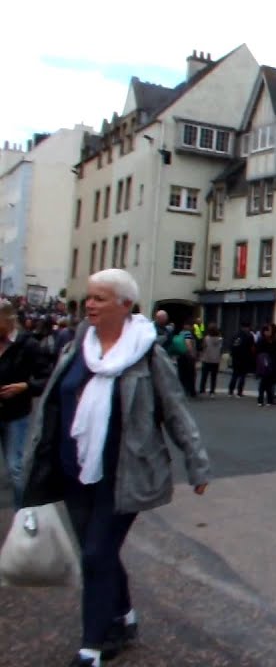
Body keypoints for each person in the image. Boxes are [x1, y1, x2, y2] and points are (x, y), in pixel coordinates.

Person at [20, 269, 210, 667]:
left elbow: (176, 412)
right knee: (101, 553)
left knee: (95, 554)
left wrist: (197, 463)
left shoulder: (147, 353)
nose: (89, 305)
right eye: (89, 298)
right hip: (73, 472)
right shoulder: (77, 346)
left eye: (99, 298)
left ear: (125, 305)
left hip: (125, 474)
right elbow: (55, 402)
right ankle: (124, 615)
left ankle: (91, 646)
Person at [1, 299, 52, 506]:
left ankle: (22, 513)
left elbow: (47, 377)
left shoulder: (28, 345)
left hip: (16, 414)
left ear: (7, 320)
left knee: (16, 467)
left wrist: (25, 386)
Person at [255, 324, 276, 407]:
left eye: (270, 330)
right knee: (264, 382)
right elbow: (258, 351)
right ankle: (261, 399)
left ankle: (269, 399)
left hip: (272, 363)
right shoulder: (262, 340)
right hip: (265, 363)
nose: (269, 332)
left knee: (269, 382)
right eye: (267, 330)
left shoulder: (274, 340)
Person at [227, 321, 255, 398]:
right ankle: (239, 392)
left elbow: (231, 346)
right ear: (248, 327)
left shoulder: (235, 335)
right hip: (245, 358)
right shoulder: (249, 336)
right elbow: (252, 348)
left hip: (236, 357)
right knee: (242, 375)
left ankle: (230, 391)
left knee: (235, 375)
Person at [169, 321, 197, 398]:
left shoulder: (180, 333)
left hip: (180, 356)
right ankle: (191, 391)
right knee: (190, 374)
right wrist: (192, 353)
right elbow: (188, 344)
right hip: (187, 356)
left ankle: (182, 389)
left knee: (182, 373)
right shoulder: (188, 333)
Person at [197, 326, 222, 395]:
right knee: (213, 377)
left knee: (204, 376)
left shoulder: (206, 338)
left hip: (207, 359)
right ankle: (212, 390)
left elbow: (203, 347)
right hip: (215, 360)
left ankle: (202, 389)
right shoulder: (220, 339)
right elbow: (220, 348)